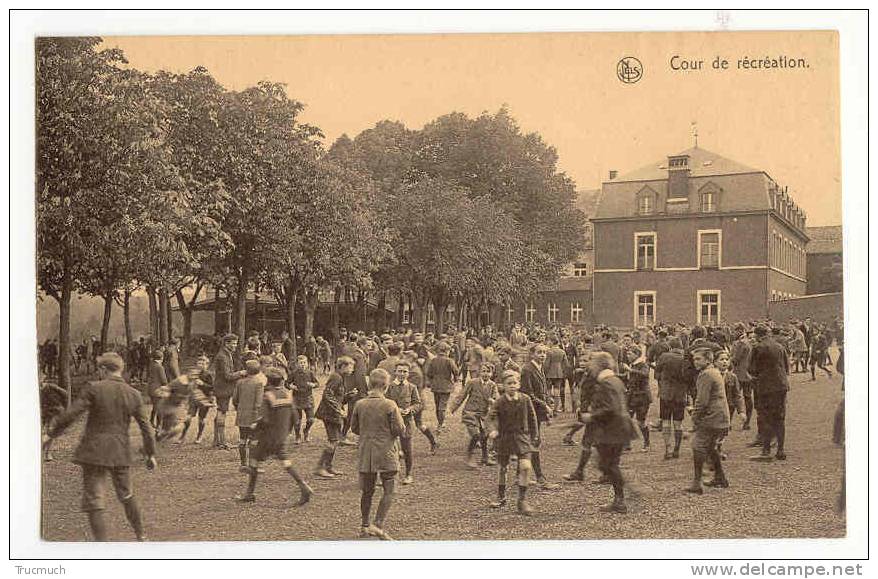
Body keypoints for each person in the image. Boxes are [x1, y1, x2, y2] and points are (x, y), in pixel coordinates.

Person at [42, 352, 156, 541]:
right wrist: (150, 454)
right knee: (127, 494)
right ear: (121, 369)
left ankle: (102, 548)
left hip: (93, 451)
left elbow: (72, 414)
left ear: (103, 369)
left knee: (95, 499)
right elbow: (147, 428)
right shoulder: (134, 394)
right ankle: (141, 535)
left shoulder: (94, 388)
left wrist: (51, 433)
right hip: (120, 451)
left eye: (99, 369)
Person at [235, 367, 314, 506]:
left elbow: (264, 419)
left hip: (267, 438)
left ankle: (250, 493)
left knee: (254, 460)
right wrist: (286, 432)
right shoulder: (288, 395)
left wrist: (255, 426)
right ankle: (303, 486)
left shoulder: (268, 396)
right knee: (286, 462)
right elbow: (295, 418)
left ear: (269, 381)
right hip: (281, 437)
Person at [579, 352, 637, 514]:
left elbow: (612, 408)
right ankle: (621, 496)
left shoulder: (606, 383)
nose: (590, 367)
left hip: (613, 429)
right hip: (617, 428)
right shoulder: (615, 380)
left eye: (592, 363)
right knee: (608, 464)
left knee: (607, 464)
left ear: (599, 366)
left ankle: (621, 498)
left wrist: (591, 416)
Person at [352, 368, 406, 540]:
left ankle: (364, 525)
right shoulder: (390, 404)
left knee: (367, 491)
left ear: (370, 384)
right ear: (386, 385)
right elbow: (399, 429)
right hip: (386, 452)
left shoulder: (359, 404)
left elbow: (354, 428)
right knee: (389, 489)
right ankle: (378, 524)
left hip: (366, 453)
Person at [487, 370, 538, 516]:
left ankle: (522, 501)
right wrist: (492, 430)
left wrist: (535, 436)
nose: (512, 386)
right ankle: (501, 496)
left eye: (515, 383)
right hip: (504, 438)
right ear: (503, 385)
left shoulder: (525, 399)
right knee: (503, 468)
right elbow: (490, 418)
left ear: (519, 384)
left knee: (526, 467)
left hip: (522, 437)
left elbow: (532, 417)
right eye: (509, 383)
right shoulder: (500, 401)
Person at [685, 348, 731, 494]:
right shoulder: (714, 372)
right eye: (694, 359)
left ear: (707, 360)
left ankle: (697, 483)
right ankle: (720, 478)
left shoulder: (706, 375)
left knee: (697, 446)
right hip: (720, 416)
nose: (695, 361)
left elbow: (702, 402)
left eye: (698, 359)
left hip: (711, 417)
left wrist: (694, 419)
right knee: (711, 447)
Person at [519, 343, 561, 490]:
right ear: (532, 354)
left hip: (536, 410)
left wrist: (547, 398)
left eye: (544, 352)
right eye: (539, 352)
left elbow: (540, 390)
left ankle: (522, 474)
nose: (542, 355)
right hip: (529, 411)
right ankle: (540, 478)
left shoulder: (539, 367)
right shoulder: (527, 370)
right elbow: (528, 394)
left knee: (531, 441)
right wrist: (545, 405)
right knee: (534, 441)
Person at [748, 325, 790, 462]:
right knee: (780, 417)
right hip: (781, 385)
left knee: (766, 417)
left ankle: (766, 451)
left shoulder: (758, 347)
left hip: (766, 387)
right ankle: (780, 450)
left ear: (757, 335)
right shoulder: (779, 346)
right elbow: (786, 366)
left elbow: (752, 369)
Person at [450, 362, 498, 468]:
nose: (485, 374)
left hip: (483, 414)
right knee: (475, 435)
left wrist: (492, 401)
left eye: (488, 372)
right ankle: (469, 456)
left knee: (484, 435)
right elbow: (462, 395)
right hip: (470, 413)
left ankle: (485, 457)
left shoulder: (492, 385)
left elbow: (496, 399)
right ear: (479, 372)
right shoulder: (472, 382)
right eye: (483, 371)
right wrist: (453, 407)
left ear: (492, 373)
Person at [314, 356, 354, 478]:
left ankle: (328, 466)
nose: (353, 369)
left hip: (333, 413)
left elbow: (337, 397)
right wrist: (338, 410)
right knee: (333, 441)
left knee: (335, 441)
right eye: (351, 366)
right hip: (329, 414)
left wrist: (348, 396)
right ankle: (320, 468)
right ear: (343, 366)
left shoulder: (340, 377)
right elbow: (327, 394)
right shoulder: (336, 377)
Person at [385, 360, 422, 484]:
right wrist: (395, 410)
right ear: (395, 372)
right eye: (399, 371)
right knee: (390, 449)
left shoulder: (412, 387)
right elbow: (385, 402)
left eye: (405, 371)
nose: (402, 374)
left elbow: (417, 403)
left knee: (407, 449)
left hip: (407, 422)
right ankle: (391, 474)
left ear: (408, 373)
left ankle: (408, 474)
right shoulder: (389, 386)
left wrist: (410, 410)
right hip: (392, 422)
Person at [212, 333, 247, 450]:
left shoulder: (226, 354)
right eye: (233, 343)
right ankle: (222, 442)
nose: (235, 346)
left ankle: (217, 440)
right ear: (226, 343)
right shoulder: (222, 356)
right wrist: (241, 373)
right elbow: (227, 376)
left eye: (236, 343)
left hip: (223, 388)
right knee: (222, 412)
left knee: (220, 412)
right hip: (223, 389)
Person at [233, 354, 266, 472]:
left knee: (242, 439)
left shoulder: (240, 382)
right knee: (254, 440)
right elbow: (258, 403)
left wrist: (240, 408)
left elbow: (235, 399)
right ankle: (253, 465)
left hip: (242, 414)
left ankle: (243, 464)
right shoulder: (259, 383)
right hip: (254, 416)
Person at [656, 337, 688, 459]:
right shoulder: (685, 358)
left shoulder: (664, 356)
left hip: (666, 393)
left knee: (665, 421)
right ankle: (677, 449)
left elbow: (657, 373)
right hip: (680, 394)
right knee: (678, 424)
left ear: (670, 347)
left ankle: (667, 448)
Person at [177, 355, 215, 444]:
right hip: (193, 399)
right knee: (188, 417)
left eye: (203, 363)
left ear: (207, 365)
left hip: (204, 399)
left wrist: (203, 384)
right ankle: (182, 436)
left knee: (201, 419)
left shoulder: (209, 375)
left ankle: (199, 436)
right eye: (199, 363)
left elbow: (212, 388)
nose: (201, 365)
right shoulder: (193, 374)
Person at [424, 341, 459, 434]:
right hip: (446, 386)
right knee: (442, 407)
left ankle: (440, 424)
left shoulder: (433, 360)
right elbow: (456, 371)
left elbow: (429, 373)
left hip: (435, 386)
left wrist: (432, 380)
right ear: (446, 351)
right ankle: (440, 425)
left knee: (437, 405)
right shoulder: (449, 360)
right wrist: (455, 379)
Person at [289, 355, 318, 444]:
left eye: (304, 362)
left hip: (308, 398)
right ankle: (297, 436)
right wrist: (291, 386)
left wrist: (313, 385)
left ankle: (306, 431)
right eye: (301, 363)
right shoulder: (293, 373)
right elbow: (287, 383)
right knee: (297, 421)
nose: (303, 364)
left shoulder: (310, 373)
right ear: (297, 364)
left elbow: (317, 383)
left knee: (311, 419)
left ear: (307, 363)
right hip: (297, 398)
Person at [146, 349, 168, 428]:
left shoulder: (151, 365)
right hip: (158, 389)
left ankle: (151, 420)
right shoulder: (160, 367)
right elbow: (164, 380)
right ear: (161, 358)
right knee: (160, 407)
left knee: (155, 406)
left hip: (151, 389)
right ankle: (158, 425)